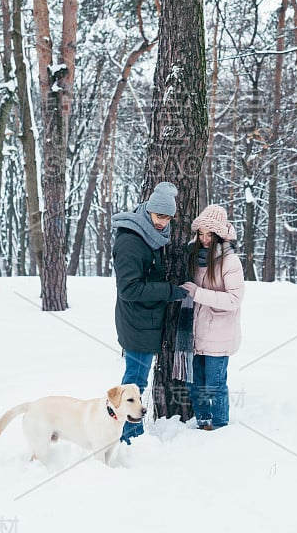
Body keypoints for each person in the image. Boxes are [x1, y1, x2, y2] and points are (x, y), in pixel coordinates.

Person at [112, 181, 188, 445]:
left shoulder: (148, 236)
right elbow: (129, 289)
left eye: (167, 218)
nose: (162, 222)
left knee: (135, 382)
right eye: (159, 216)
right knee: (134, 384)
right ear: (148, 211)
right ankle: (126, 435)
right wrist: (169, 291)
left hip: (145, 321)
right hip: (137, 323)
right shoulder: (132, 241)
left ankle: (127, 433)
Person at [181, 204, 245, 430]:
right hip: (197, 333)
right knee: (196, 383)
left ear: (220, 235)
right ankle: (203, 423)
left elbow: (234, 300)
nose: (205, 239)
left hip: (219, 334)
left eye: (210, 234)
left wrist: (198, 293)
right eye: (201, 233)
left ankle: (220, 426)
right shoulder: (193, 256)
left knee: (215, 384)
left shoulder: (229, 261)